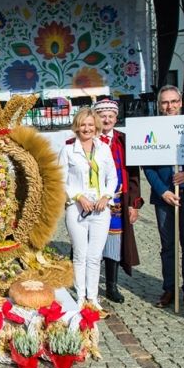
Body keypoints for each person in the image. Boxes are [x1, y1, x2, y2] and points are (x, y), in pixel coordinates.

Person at [143, 85, 184, 309]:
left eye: (173, 101)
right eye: (165, 102)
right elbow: (147, 167)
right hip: (164, 197)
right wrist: (163, 191)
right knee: (168, 246)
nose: (170, 106)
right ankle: (169, 289)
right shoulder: (151, 127)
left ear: (180, 102)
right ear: (159, 105)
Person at [59, 107, 118, 309]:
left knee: (94, 256)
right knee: (80, 254)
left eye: (90, 125)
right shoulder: (68, 150)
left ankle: (92, 297)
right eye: (83, 124)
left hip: (101, 210)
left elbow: (113, 177)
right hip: (77, 209)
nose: (87, 128)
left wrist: (106, 196)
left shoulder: (104, 149)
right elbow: (60, 180)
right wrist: (77, 196)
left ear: (96, 127)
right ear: (77, 126)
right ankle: (81, 296)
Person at [93, 99, 143, 304]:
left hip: (117, 201)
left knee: (113, 242)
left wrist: (133, 203)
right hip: (94, 201)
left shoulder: (123, 140)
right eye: (102, 116)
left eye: (110, 116)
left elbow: (133, 174)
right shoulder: (89, 138)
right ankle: (90, 285)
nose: (106, 120)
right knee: (93, 242)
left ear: (116, 118)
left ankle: (111, 286)